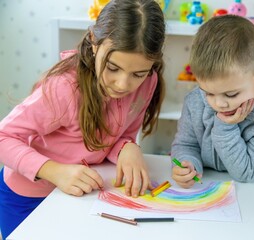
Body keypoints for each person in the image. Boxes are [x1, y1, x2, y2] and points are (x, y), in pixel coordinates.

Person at [0, 0, 165, 238]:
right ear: (94, 42)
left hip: (80, 197)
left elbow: (118, 134)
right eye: (113, 68)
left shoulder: (148, 82)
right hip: (27, 198)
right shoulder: (64, 88)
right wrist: (54, 171)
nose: (123, 85)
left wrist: (127, 147)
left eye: (137, 74)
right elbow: (3, 136)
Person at [171, 15, 254, 189]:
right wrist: (187, 164)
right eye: (208, 92)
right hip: (215, 183)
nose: (219, 103)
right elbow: (186, 144)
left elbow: (245, 172)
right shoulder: (196, 99)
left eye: (231, 94)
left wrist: (224, 125)